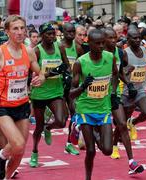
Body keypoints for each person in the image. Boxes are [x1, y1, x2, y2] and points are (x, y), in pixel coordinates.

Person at [0, 15, 45, 179]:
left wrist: (42, 77)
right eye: (15, 29)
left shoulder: (29, 51)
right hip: (2, 106)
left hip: (22, 104)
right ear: (8, 32)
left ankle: (6, 177)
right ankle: (1, 156)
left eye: (22, 28)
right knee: (17, 143)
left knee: (19, 151)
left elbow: (39, 72)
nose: (19, 32)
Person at [69, 29, 118, 180]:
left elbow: (115, 74)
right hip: (85, 109)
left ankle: (93, 131)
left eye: (103, 43)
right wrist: (83, 86)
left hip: (103, 108)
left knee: (108, 150)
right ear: (89, 44)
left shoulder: (110, 57)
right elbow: (71, 93)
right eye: (98, 44)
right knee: (90, 151)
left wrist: (114, 92)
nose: (102, 46)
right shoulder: (80, 63)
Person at [104, 27, 144, 174]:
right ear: (103, 39)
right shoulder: (95, 55)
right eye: (110, 38)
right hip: (96, 98)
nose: (114, 40)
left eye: (115, 37)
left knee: (122, 124)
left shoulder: (120, 53)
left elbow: (120, 72)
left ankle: (131, 162)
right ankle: (79, 127)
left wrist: (129, 83)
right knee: (102, 144)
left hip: (114, 94)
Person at [29, 23, 70, 167]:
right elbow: (30, 72)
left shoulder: (60, 47)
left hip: (56, 91)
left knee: (61, 121)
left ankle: (49, 128)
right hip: (39, 93)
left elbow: (66, 66)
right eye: (48, 34)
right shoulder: (37, 51)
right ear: (42, 36)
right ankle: (34, 152)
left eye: (53, 33)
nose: (52, 36)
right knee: (38, 127)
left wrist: (65, 74)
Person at [122, 28, 146, 141]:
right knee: (121, 121)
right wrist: (127, 71)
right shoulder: (125, 53)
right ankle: (119, 137)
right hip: (127, 90)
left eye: (139, 37)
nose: (138, 40)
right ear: (128, 39)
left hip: (140, 89)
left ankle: (133, 122)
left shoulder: (144, 50)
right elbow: (120, 72)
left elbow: (143, 66)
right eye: (135, 38)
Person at [60, 22, 84, 155]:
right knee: (62, 119)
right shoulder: (59, 46)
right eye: (68, 32)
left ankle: (69, 143)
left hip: (72, 85)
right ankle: (48, 125)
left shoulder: (78, 47)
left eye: (72, 32)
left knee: (74, 113)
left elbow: (82, 66)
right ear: (62, 32)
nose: (71, 34)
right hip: (58, 85)